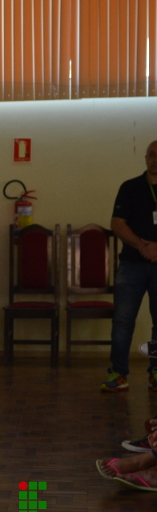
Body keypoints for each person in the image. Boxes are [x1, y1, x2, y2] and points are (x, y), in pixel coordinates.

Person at [101, 140, 157, 392]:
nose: (155, 159)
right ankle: (118, 373)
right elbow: (117, 223)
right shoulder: (130, 187)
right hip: (131, 265)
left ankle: (156, 372)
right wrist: (142, 246)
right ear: (145, 158)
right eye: (151, 155)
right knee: (123, 321)